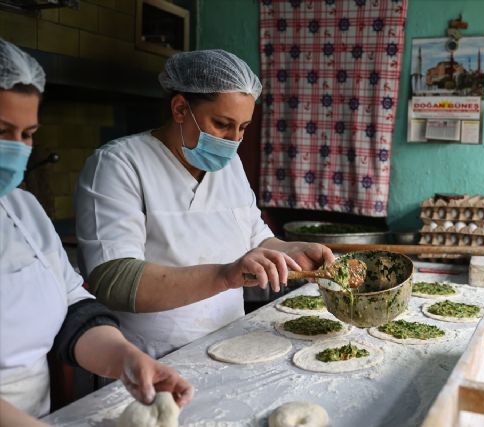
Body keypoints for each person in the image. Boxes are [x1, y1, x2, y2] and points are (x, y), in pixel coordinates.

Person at [74, 49, 335, 359]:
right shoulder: (120, 164)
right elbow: (114, 282)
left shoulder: (230, 166)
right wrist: (224, 276)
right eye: (222, 123)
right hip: (149, 358)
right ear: (180, 108)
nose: (233, 140)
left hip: (230, 345)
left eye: (243, 128)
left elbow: (256, 237)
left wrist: (293, 250)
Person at [0, 39, 193, 426]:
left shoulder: (22, 210)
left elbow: (71, 309)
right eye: (2, 131)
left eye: (27, 134)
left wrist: (126, 358)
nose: (17, 149)